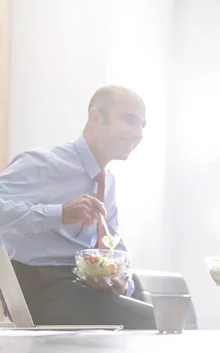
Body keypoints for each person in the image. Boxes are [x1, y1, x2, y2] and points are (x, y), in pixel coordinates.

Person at [0, 85, 155, 329]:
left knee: (165, 312)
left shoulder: (108, 181)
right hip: (42, 286)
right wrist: (59, 214)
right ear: (95, 118)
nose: (139, 134)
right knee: (150, 321)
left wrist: (122, 280)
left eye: (142, 125)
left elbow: (111, 238)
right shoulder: (43, 163)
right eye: (130, 120)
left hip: (82, 285)